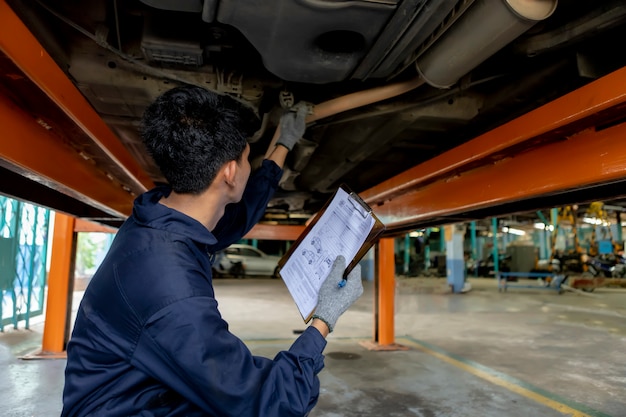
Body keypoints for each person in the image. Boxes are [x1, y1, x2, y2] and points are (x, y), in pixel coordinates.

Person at [61, 85, 364, 417]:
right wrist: (324, 319)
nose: (250, 164)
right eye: (249, 158)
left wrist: (282, 145)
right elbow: (268, 404)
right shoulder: (173, 293)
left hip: (138, 394)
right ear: (230, 173)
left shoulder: (156, 217)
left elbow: (237, 215)